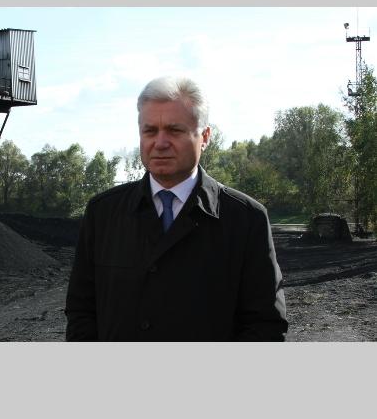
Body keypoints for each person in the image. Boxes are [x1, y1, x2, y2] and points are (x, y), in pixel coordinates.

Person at [65, 76, 287, 341]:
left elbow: (265, 325)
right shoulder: (103, 214)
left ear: (205, 137)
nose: (160, 143)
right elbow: (81, 311)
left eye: (174, 130)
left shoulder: (245, 219)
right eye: (150, 131)